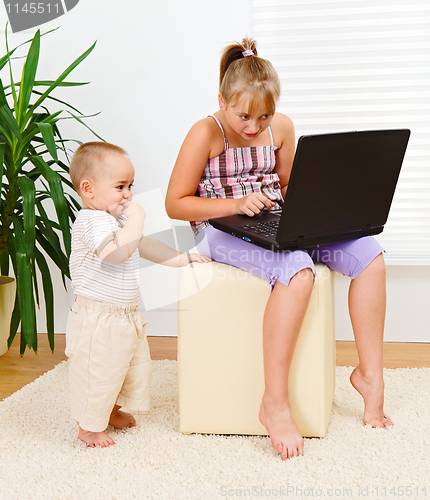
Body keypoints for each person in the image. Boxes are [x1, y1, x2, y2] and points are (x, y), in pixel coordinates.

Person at [165, 38, 392, 460]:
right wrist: (235, 204)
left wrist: (319, 210)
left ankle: (370, 377)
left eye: (264, 115)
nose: (254, 127)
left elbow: (288, 187)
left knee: (369, 254)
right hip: (219, 227)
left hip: (276, 221)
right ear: (222, 99)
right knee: (297, 271)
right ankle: (274, 401)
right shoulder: (205, 133)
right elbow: (175, 203)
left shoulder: (281, 127)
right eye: (243, 116)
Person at [67, 141, 211, 448]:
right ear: (88, 189)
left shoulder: (115, 222)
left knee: (126, 369)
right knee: (98, 373)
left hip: (124, 316)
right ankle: (88, 427)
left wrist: (181, 257)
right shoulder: (91, 222)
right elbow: (115, 254)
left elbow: (144, 245)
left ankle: (110, 410)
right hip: (98, 320)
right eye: (120, 186)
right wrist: (137, 218)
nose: (128, 194)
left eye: (131, 186)